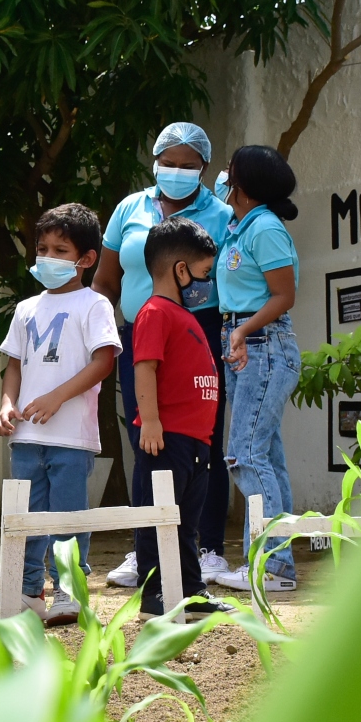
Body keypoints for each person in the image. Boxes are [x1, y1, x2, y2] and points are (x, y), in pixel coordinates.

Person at [93, 123, 235, 589]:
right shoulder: (128, 208)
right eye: (168, 163)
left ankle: (207, 548)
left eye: (188, 165)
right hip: (143, 333)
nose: (176, 171)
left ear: (204, 169)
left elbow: (231, 274)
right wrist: (97, 330)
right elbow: (106, 281)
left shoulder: (221, 212)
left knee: (202, 441)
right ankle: (145, 550)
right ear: (154, 163)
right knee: (147, 440)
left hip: (201, 334)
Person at [0, 205, 121, 626]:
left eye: (60, 250)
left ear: (86, 259)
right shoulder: (26, 308)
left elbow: (104, 362)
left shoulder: (95, 304)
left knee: (68, 516)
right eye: (42, 248)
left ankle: (70, 592)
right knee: (26, 517)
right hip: (26, 436)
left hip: (72, 436)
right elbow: (13, 364)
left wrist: (56, 397)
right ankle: (27, 591)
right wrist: (5, 404)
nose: (47, 257)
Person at [128, 217, 234, 621]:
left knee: (186, 522)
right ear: (180, 270)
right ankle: (155, 594)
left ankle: (191, 591)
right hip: (166, 439)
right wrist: (150, 420)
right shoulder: (155, 312)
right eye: (205, 273)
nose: (208, 282)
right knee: (159, 520)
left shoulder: (184, 316)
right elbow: (145, 367)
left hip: (196, 442)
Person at [209, 145, 302, 593]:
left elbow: (284, 295)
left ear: (242, 184)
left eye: (229, 171)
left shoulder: (264, 228)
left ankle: (270, 564)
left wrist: (242, 331)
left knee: (244, 454)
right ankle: (276, 565)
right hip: (246, 344)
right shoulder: (239, 226)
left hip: (263, 345)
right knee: (267, 456)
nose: (223, 176)